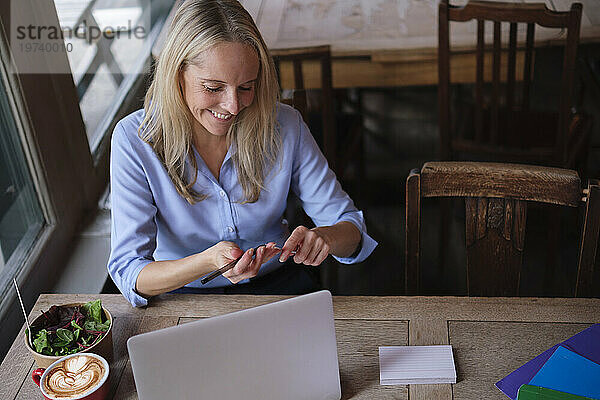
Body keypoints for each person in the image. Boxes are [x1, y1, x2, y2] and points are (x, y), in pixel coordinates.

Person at [108, 0, 377, 307]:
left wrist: (327, 238)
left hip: (279, 286)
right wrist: (208, 261)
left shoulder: (285, 125)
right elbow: (130, 272)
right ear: (176, 75)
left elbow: (352, 230)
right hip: (182, 296)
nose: (233, 107)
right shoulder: (134, 140)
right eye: (213, 88)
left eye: (246, 87)